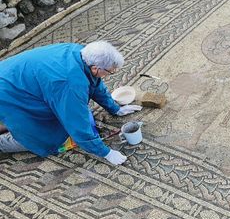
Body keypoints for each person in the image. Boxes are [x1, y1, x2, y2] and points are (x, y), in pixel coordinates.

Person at [0, 41, 142, 165]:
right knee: (41, 136)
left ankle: (6, 124)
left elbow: (95, 84)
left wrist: (114, 108)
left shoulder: (81, 53)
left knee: (52, 118)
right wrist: (106, 152)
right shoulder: (70, 84)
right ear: (96, 68)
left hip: (14, 77)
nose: (111, 73)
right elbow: (77, 122)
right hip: (8, 92)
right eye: (110, 72)